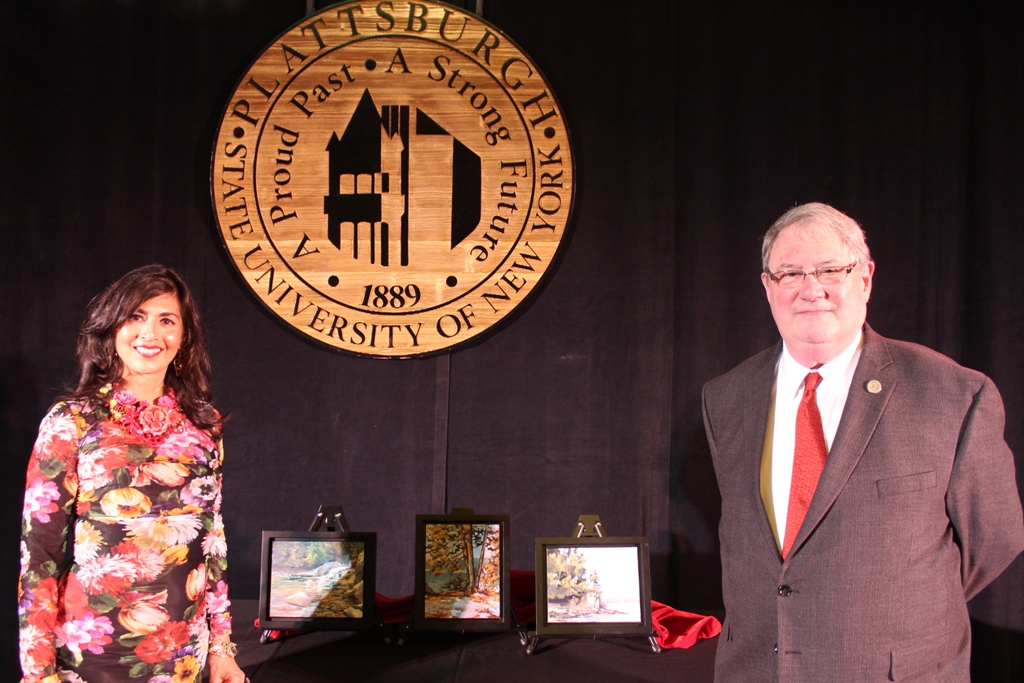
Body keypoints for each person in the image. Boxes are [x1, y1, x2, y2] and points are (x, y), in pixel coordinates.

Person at [702, 203, 1024, 682]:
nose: (812, 289)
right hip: (755, 669)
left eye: (832, 269)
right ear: (767, 286)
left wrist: (896, 613)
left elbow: (995, 539)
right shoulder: (724, 397)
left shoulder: (954, 393)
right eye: (790, 273)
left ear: (866, 278)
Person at [18, 265, 247, 683]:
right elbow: (40, 555)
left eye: (166, 320)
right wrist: (37, 671)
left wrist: (222, 649)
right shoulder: (72, 422)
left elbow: (212, 544)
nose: (150, 334)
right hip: (92, 655)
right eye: (135, 317)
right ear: (111, 329)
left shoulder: (204, 426)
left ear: (184, 337)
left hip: (183, 656)